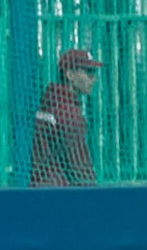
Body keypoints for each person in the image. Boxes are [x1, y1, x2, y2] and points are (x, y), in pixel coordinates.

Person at [30, 47, 101, 187]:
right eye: (88, 72)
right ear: (70, 75)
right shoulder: (68, 113)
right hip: (61, 193)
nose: (94, 79)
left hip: (42, 188)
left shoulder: (50, 104)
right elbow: (81, 170)